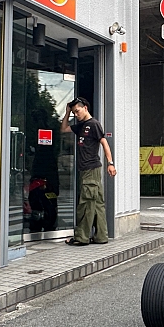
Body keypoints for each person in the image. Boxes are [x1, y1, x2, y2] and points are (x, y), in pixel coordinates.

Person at [61, 97, 116, 245]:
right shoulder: (80, 125)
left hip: (91, 168)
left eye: (77, 111)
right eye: (74, 113)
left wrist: (110, 163)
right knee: (97, 203)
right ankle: (101, 236)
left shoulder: (93, 124)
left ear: (85, 107)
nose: (76, 115)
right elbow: (64, 129)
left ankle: (81, 238)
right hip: (89, 169)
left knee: (86, 203)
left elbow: (104, 142)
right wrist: (67, 113)